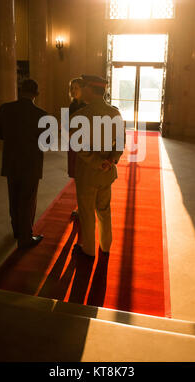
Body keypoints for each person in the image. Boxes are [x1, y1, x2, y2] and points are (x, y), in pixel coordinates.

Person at [71, 74, 125, 258]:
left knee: (86, 212)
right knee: (104, 210)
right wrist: (111, 160)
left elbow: (78, 146)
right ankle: (106, 245)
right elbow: (120, 142)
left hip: (88, 173)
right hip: (107, 172)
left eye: (82, 87)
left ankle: (88, 250)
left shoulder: (80, 116)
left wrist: (96, 162)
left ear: (89, 89)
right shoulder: (114, 113)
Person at [0, 79, 47, 249]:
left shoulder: (5, 109)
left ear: (20, 90)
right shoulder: (42, 115)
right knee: (27, 200)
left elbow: (0, 135)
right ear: (36, 94)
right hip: (31, 164)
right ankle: (25, 238)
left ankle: (17, 230)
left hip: (11, 161)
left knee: (14, 197)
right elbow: (46, 142)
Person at [68, 78, 86, 178]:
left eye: (76, 88)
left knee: (82, 170)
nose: (73, 91)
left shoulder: (87, 105)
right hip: (72, 140)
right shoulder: (72, 105)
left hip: (84, 142)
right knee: (74, 170)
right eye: (72, 88)